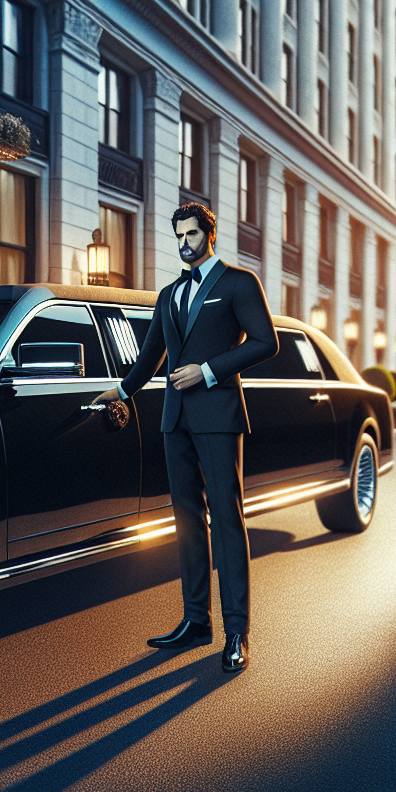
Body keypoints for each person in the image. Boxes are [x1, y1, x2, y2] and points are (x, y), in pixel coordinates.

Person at [95, 202, 277, 673]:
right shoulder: (169, 294)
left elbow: (266, 342)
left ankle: (237, 631)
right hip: (174, 420)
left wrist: (209, 371)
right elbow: (151, 355)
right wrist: (119, 389)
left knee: (228, 521)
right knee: (187, 524)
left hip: (218, 417)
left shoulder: (239, 283)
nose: (184, 243)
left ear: (209, 234)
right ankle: (197, 622)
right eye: (178, 235)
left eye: (192, 234)